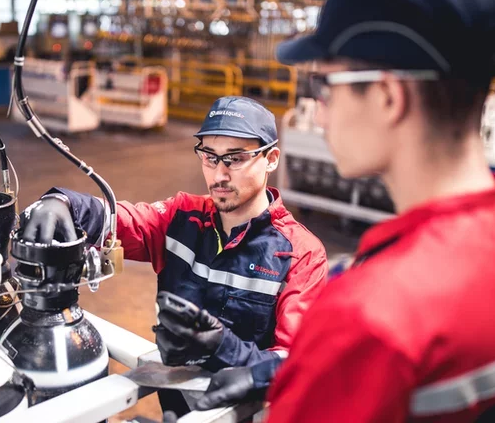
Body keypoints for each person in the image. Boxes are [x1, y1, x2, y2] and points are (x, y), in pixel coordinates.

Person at [194, 0, 495, 421]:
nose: (321, 115)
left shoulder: (371, 312)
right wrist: (284, 368)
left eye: (324, 86)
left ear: (388, 96)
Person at [19, 95, 328, 415]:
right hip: (177, 407)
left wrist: (224, 348)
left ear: (272, 158)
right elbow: (126, 221)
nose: (219, 175)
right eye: (209, 156)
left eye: (235, 159)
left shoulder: (300, 254)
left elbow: (296, 360)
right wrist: (66, 204)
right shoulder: (183, 218)